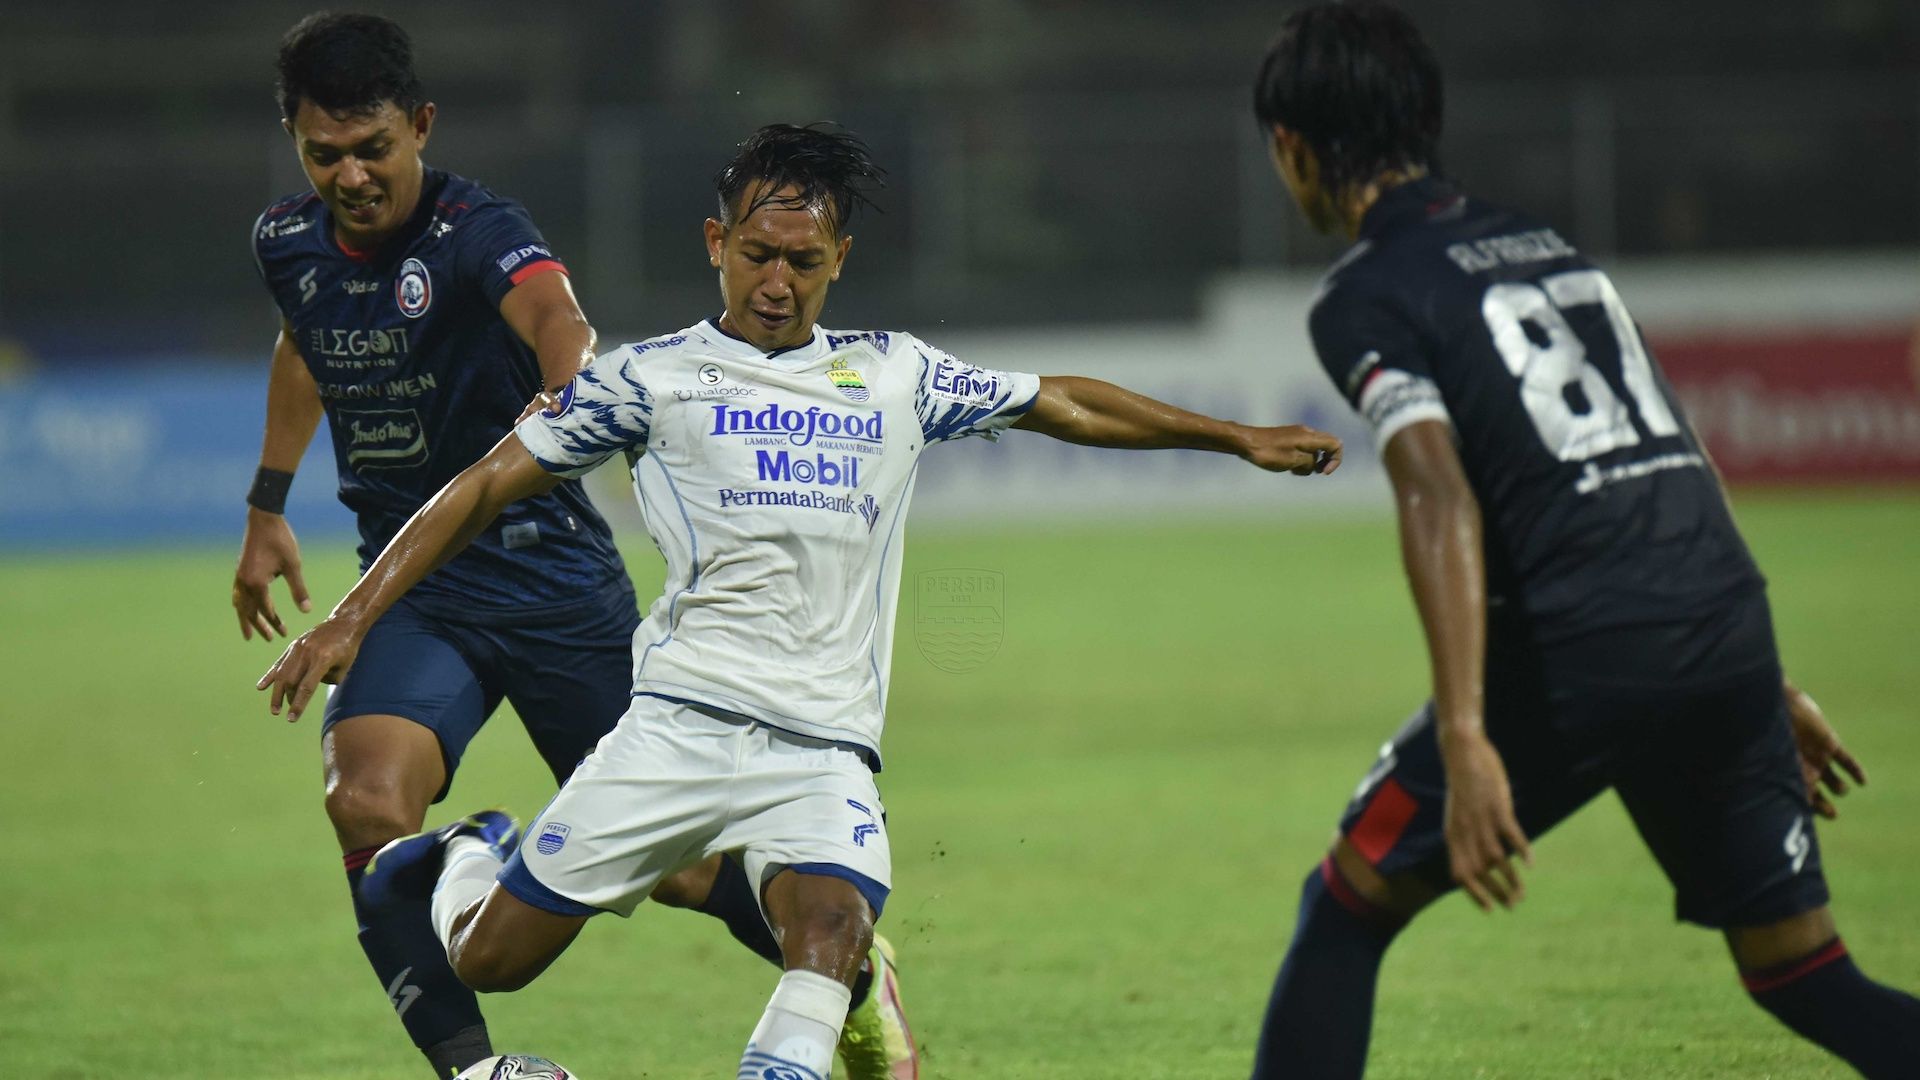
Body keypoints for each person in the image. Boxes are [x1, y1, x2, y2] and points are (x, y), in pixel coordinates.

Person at [258, 122, 1342, 1079]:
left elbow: (1060, 401)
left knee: (829, 936)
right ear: (715, 244)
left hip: (822, 750)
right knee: (489, 960)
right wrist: (354, 613)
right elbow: (490, 479)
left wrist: (1234, 435)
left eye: (806, 263)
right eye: (760, 255)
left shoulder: (892, 372)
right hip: (674, 732)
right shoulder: (650, 380)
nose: (778, 283)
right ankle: (469, 847)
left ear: (841, 262)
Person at [1246, 5, 1920, 1078]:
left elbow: (1436, 494)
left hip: (1584, 649)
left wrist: (1467, 737)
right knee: (1806, 973)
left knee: (1346, 903)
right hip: (1720, 622)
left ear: (1291, 145)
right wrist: (1762, 674)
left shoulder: (1368, 295)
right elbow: (1671, 444)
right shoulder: (1550, 248)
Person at [234, 18, 915, 1079]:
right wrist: (267, 505)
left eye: (373, 148)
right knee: (364, 802)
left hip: (554, 581)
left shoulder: (478, 230)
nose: (352, 175)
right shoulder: (289, 242)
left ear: (419, 127)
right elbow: (304, 338)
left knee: (682, 873)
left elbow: (560, 321)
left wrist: (567, 396)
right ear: (296, 143)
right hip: (413, 586)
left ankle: (856, 977)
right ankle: (474, 1070)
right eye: (325, 155)